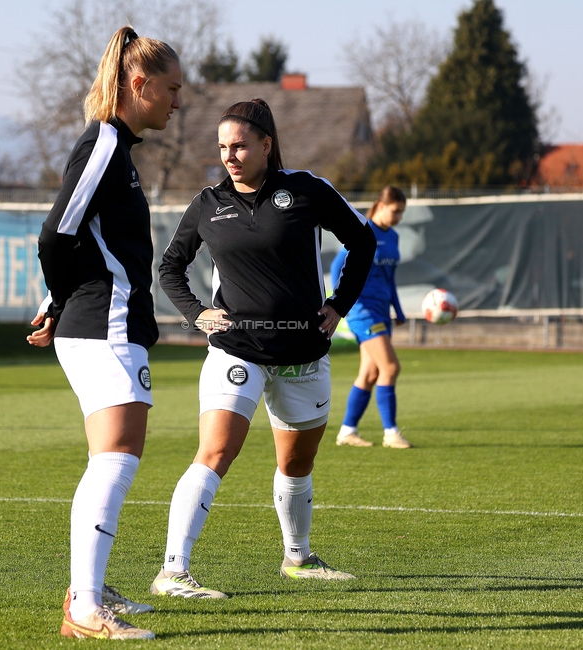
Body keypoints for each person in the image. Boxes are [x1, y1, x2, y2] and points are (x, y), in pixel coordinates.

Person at [153, 98, 376, 599]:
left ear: (266, 145)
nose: (229, 156)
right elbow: (170, 267)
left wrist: (339, 305)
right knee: (215, 451)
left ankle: (297, 559)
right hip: (236, 350)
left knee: (297, 463)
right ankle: (173, 571)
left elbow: (363, 242)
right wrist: (197, 314)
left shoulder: (307, 190)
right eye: (222, 148)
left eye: (238, 146)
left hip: (303, 353)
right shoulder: (208, 203)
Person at [26, 25, 182, 641]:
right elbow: (56, 232)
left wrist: (53, 301)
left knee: (110, 457)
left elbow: (84, 241)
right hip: (104, 323)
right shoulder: (104, 145)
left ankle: (88, 589)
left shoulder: (121, 150)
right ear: (138, 84)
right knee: (118, 457)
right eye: (171, 88)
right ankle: (85, 607)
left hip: (104, 321)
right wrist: (62, 300)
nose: (177, 101)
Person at [331, 186, 412, 449]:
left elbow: (390, 280)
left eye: (402, 212)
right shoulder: (364, 231)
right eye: (395, 211)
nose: (398, 216)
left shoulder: (395, 237)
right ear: (380, 205)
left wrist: (397, 310)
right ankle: (391, 433)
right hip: (362, 311)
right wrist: (339, 303)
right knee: (390, 368)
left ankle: (347, 431)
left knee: (370, 373)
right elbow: (337, 266)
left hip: (381, 312)